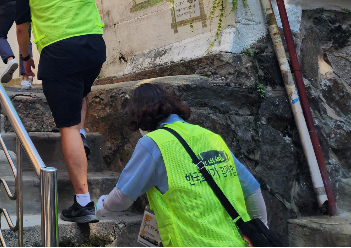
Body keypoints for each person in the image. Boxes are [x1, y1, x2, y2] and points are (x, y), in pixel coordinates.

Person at [15, 0, 122, 223]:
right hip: (92, 51)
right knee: (81, 93)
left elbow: (22, 30)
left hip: (59, 55)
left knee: (67, 126)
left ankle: (84, 203)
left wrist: (26, 60)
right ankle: (83, 137)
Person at [95, 83, 268, 246]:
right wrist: (262, 233)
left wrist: (101, 207)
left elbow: (121, 199)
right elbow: (252, 188)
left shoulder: (153, 143)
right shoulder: (210, 137)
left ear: (139, 115)